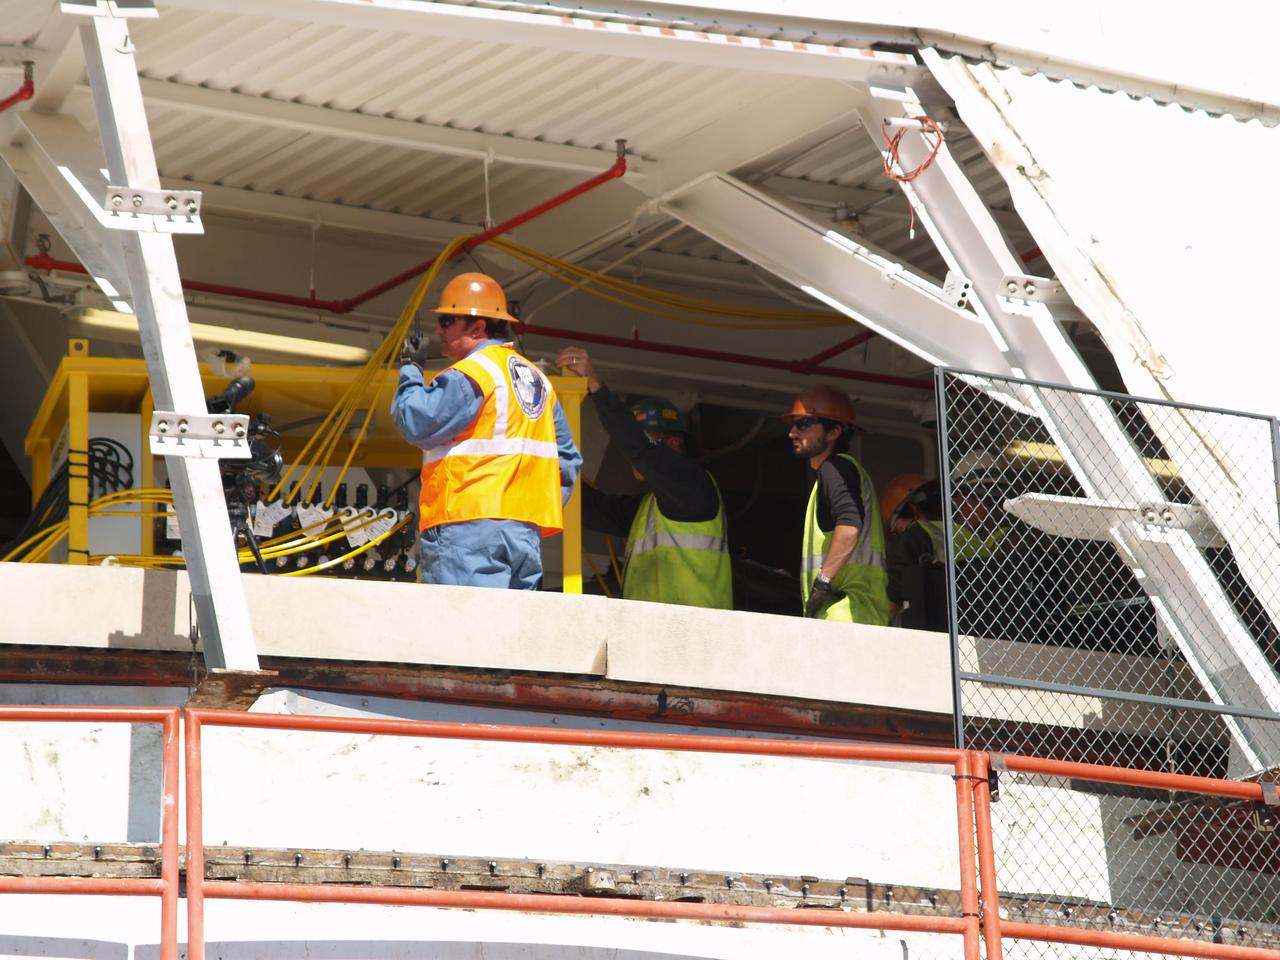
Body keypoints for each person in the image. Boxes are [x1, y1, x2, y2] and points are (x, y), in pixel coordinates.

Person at [391, 272, 582, 589]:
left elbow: (415, 421)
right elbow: (568, 462)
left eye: (448, 320)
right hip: (523, 536)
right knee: (507, 635)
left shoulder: (472, 373)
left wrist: (411, 368)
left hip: (467, 531)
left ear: (477, 327)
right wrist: (519, 512)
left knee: (466, 633)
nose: (439, 329)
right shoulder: (538, 381)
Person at [555, 345, 731, 609]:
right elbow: (591, 508)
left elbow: (640, 449)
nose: (630, 455)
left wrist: (596, 386)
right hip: (651, 634)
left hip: (692, 635)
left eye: (649, 439)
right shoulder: (648, 508)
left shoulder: (692, 486)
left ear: (673, 444)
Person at [785, 384, 888, 624]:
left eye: (803, 424)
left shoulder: (835, 469)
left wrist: (822, 584)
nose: (792, 432)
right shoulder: (839, 472)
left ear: (833, 433)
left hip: (845, 613)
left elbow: (850, 527)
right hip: (854, 614)